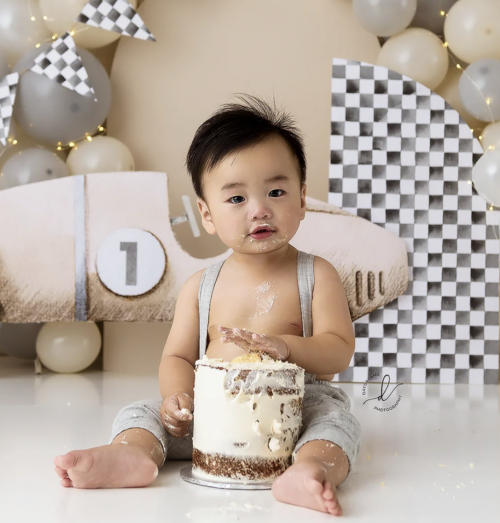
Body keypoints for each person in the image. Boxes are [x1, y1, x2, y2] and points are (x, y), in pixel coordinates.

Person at [54, 95, 360, 516]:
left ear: (303, 199)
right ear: (207, 214)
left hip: (297, 404)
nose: (259, 209)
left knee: (334, 425)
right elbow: (178, 355)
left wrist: (286, 347)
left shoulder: (316, 275)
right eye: (236, 199)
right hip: (214, 409)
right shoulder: (201, 286)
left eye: (276, 191)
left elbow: (338, 348)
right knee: (141, 413)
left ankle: (309, 470)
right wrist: (179, 400)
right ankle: (132, 455)